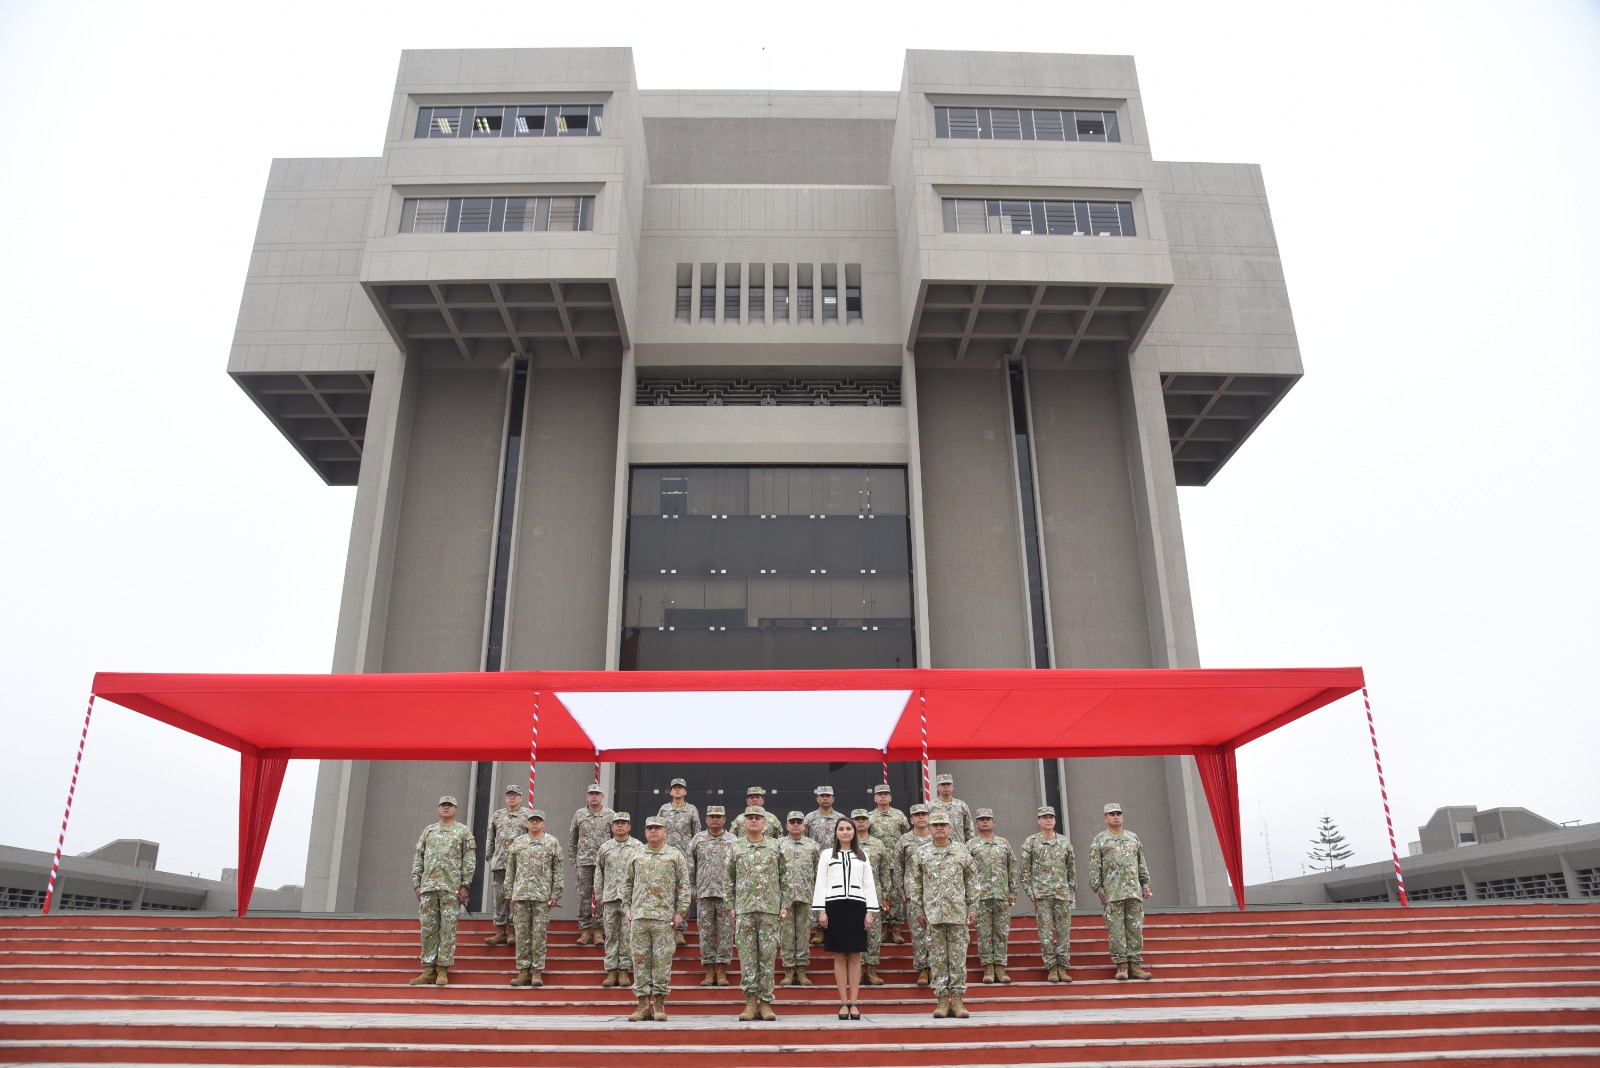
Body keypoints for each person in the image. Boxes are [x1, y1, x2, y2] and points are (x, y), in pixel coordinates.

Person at [620, 815, 690, 1021]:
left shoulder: (674, 855)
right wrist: (626, 908)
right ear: (644, 832)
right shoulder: (636, 854)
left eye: (657, 828)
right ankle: (642, 1005)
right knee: (640, 961)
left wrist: (681, 911)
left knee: (661, 961)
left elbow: (683, 885)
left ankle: (659, 1004)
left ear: (665, 832)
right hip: (640, 917)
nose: (653, 831)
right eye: (649, 828)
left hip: (663, 918)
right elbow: (627, 884)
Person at [907, 812, 976, 1019]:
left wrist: (972, 908)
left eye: (943, 825)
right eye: (935, 825)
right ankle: (942, 1000)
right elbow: (914, 884)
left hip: (957, 914)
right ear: (929, 828)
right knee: (937, 959)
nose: (939, 828)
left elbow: (972, 882)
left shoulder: (961, 852)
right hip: (933, 915)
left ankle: (957, 999)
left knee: (957, 958)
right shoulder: (921, 854)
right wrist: (918, 910)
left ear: (949, 828)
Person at [813, 814, 879, 1020]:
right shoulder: (826, 855)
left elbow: (869, 884)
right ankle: (843, 1002)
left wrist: (869, 912)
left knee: (856, 955)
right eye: (841, 829)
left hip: (857, 907)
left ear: (854, 832)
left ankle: (854, 1002)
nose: (845, 832)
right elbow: (821, 883)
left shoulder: (862, 855)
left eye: (848, 829)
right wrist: (821, 911)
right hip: (834, 906)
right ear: (836, 833)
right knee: (839, 955)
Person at [725, 807, 788, 1021]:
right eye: (749, 818)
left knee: (768, 957)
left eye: (757, 818)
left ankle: (767, 1002)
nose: (753, 821)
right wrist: (731, 905)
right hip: (744, 908)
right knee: (747, 957)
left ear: (764, 822)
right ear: (744, 822)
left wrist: (784, 905)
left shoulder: (775, 846)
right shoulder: (736, 847)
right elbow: (729, 878)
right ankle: (751, 1002)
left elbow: (785, 877)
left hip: (769, 908)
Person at [408, 795, 476, 987]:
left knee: (447, 929)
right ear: (438, 809)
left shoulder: (463, 832)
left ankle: (443, 969)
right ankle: (429, 969)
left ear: (456, 810)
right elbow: (418, 858)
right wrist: (417, 883)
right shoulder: (429, 831)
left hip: (450, 889)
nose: (446, 808)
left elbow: (469, 861)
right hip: (429, 887)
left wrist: (465, 885)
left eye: (450, 806)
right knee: (428, 929)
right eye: (443, 805)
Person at [1089, 802, 1153, 981]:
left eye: (1118, 813)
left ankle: (1135, 965)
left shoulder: (1133, 837)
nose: (1115, 816)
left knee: (1135, 929)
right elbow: (1095, 867)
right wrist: (1098, 887)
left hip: (1133, 891)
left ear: (1122, 816)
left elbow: (1141, 862)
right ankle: (1122, 965)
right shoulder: (1100, 840)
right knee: (1116, 930)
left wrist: (1145, 884)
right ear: (1105, 818)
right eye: (1111, 814)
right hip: (1113, 892)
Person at [505, 808, 564, 988]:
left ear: (543, 823)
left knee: (539, 934)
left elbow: (558, 870)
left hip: (542, 896)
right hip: (521, 894)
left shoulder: (552, 843)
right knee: (522, 934)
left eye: (538, 820)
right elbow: (511, 869)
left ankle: (537, 971)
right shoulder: (518, 843)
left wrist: (556, 893)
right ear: (527, 823)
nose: (535, 823)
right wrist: (509, 893)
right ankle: (523, 971)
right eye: (532, 820)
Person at [1021, 804, 1076, 983]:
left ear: (1055, 820)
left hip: (1062, 893)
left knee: (1063, 932)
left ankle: (1062, 966)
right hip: (1042, 894)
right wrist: (1030, 891)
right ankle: (1052, 967)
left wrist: (1071, 891)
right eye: (1044, 817)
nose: (1048, 820)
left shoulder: (1064, 842)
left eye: (1051, 817)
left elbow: (1071, 868)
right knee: (1045, 933)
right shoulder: (1031, 842)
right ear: (1038, 821)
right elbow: (1025, 871)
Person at [687, 804, 737, 987]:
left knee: (725, 933)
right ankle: (709, 971)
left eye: (719, 816)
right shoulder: (697, 840)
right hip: (704, 894)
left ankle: (722, 971)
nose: (715, 819)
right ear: (706, 820)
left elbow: (738, 869)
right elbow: (689, 867)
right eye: (711, 816)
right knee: (705, 933)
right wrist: (692, 890)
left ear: (725, 820)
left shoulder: (734, 841)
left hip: (726, 896)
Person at [969, 806, 1019, 984]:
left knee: (1001, 933)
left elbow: (1012, 868)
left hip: (1001, 895)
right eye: (981, 819)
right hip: (980, 897)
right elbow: (966, 873)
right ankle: (988, 968)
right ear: (976, 824)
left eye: (988, 819)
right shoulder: (971, 845)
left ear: (994, 823)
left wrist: (1013, 891)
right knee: (983, 933)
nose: (985, 821)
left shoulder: (1003, 843)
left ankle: (1000, 967)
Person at [595, 812, 642, 989]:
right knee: (611, 935)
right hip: (610, 897)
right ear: (612, 827)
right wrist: (599, 895)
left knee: (628, 935)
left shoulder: (638, 847)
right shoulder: (605, 848)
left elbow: (642, 873)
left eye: (623, 823)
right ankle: (611, 971)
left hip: (630, 900)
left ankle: (624, 970)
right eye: (617, 823)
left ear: (629, 826)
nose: (620, 826)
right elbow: (598, 872)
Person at [657, 777, 702, 945]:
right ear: (670, 791)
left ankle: (680, 930)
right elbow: (657, 828)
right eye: (674, 788)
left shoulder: (691, 810)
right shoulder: (663, 809)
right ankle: (666, 926)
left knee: (683, 892)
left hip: (684, 857)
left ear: (685, 792)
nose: (677, 790)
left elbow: (697, 834)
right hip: (666, 856)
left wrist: (695, 856)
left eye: (680, 788)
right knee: (666, 890)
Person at [568, 785, 616, 945]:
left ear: (602, 796)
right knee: (584, 896)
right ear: (587, 797)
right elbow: (572, 837)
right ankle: (585, 931)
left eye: (597, 794)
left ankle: (599, 931)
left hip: (604, 863)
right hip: (584, 861)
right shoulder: (580, 814)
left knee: (602, 897)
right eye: (591, 794)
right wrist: (573, 859)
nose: (594, 797)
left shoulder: (610, 815)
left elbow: (616, 837)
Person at [777, 811, 821, 985]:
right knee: (786, 935)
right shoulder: (778, 844)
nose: (795, 824)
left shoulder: (812, 846)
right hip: (784, 900)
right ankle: (788, 970)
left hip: (805, 896)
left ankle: (801, 970)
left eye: (799, 822)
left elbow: (818, 872)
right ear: (787, 825)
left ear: (804, 825)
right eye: (792, 822)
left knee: (803, 935)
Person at [852, 809, 893, 986]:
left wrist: (885, 895)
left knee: (874, 933)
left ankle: (872, 969)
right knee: (855, 932)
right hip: (852, 895)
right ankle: (858, 969)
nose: (860, 822)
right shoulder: (845, 844)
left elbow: (885, 871)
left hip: (873, 894)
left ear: (869, 823)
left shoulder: (878, 844)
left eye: (864, 819)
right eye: (857, 819)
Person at [483, 784, 528, 947]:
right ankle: (500, 930)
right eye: (509, 795)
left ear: (521, 798)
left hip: (519, 864)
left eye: (515, 795)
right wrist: (491, 858)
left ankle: (513, 931)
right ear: (505, 798)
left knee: (515, 898)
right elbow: (490, 838)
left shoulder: (528, 816)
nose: (512, 797)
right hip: (500, 862)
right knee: (500, 896)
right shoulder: (497, 815)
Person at [896, 803, 935, 985]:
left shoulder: (936, 837)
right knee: (918, 932)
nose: (921, 817)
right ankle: (922, 969)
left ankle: (934, 968)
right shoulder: (904, 840)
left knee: (934, 932)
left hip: (935, 892)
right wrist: (901, 890)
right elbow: (899, 867)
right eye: (917, 815)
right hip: (913, 893)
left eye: (924, 814)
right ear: (911, 819)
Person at [866, 785, 909, 944]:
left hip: (896, 861)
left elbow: (906, 837)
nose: (883, 797)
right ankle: (884, 927)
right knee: (881, 894)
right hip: (878, 863)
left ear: (890, 798)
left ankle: (896, 928)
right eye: (880, 795)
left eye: (886, 794)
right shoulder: (869, 817)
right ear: (875, 798)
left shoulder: (899, 816)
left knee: (896, 895)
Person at [927, 773, 976, 843]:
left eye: (948, 784)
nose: (946, 786)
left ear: (953, 787)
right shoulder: (930, 806)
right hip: (937, 849)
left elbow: (969, 829)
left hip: (958, 849)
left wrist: (970, 846)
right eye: (943, 784)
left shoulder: (961, 805)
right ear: (937, 787)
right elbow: (926, 829)